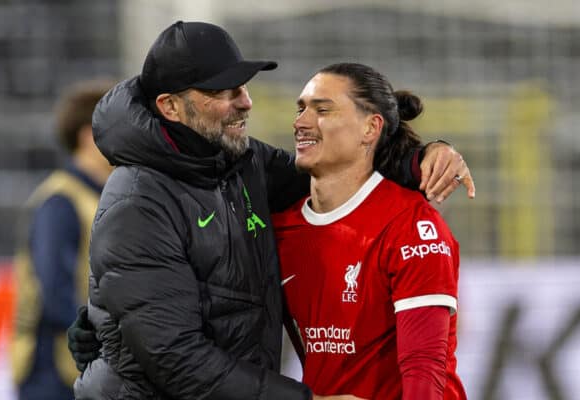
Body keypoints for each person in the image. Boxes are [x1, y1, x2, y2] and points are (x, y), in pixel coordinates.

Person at [68, 21, 473, 399]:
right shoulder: (138, 202)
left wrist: (422, 158)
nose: (245, 102)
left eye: (242, 87)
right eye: (221, 92)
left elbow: (337, 171)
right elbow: (175, 356)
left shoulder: (242, 165)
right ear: (171, 107)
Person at [273, 63, 467, 399]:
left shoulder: (414, 228)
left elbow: (424, 370)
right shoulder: (281, 228)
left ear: (370, 127)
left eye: (322, 110)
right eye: (301, 108)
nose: (301, 122)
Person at [10, 79, 114, 400]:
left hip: (84, 367)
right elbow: (55, 292)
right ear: (88, 136)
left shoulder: (100, 197)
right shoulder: (61, 200)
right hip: (54, 370)